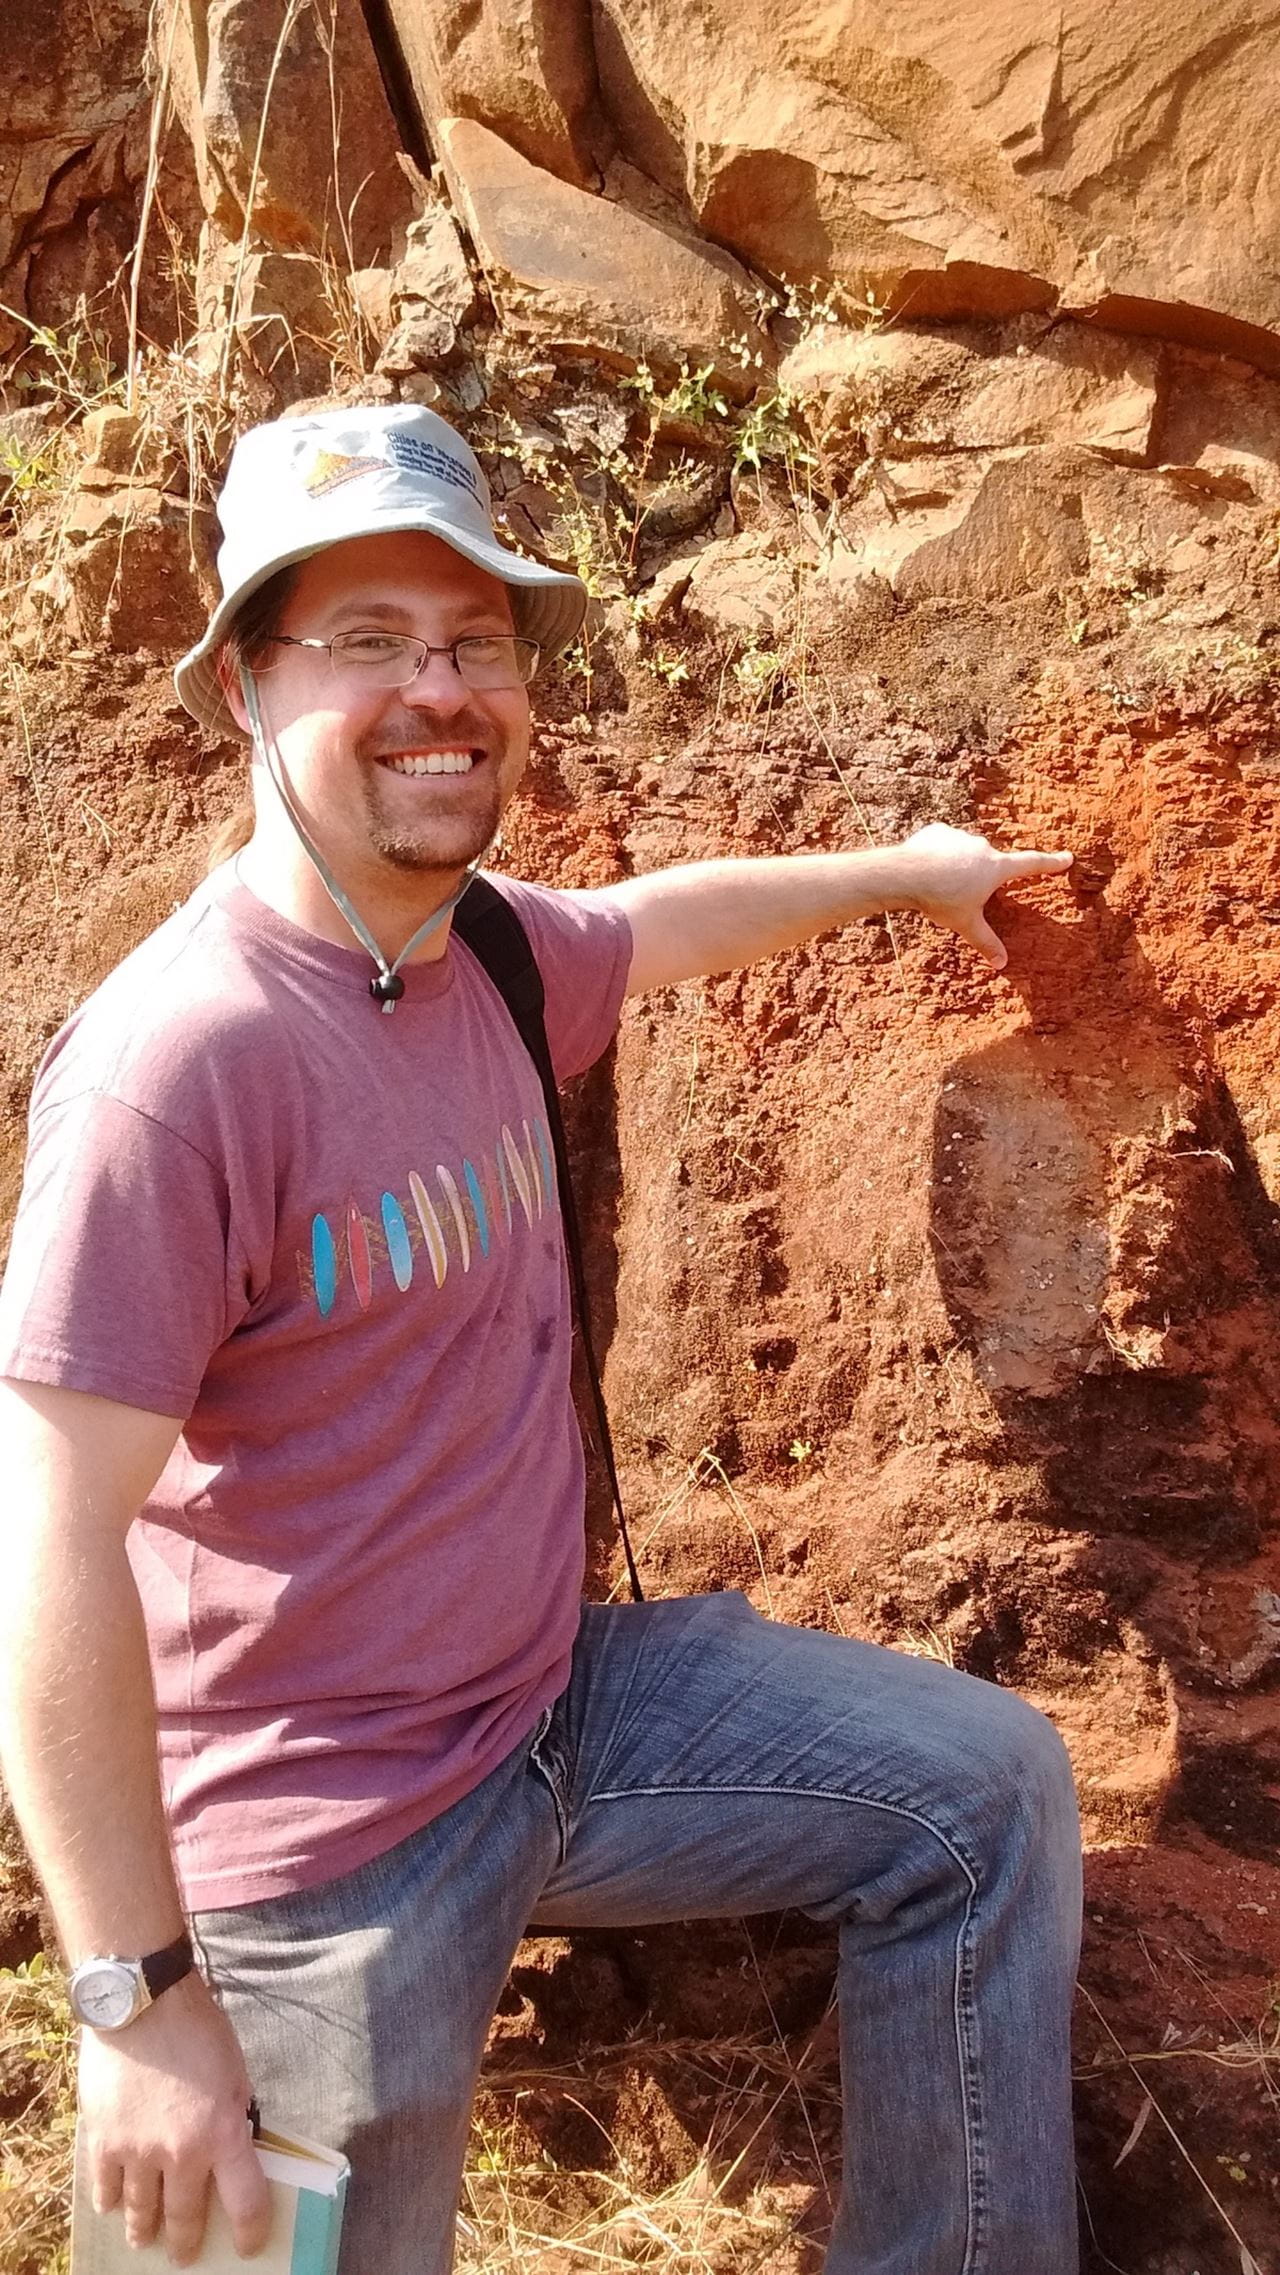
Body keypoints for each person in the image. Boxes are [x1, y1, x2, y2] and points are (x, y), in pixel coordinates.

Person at [0, 403, 1082, 2275]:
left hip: (553, 1713)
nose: (439, 692)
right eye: (366, 641)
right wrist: (138, 2005)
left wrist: (909, 870)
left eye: (475, 641)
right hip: (318, 1851)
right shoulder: (180, 1073)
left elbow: (656, 927)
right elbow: (46, 1543)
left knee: (985, 1794)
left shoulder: (482, 955)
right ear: (246, 685)